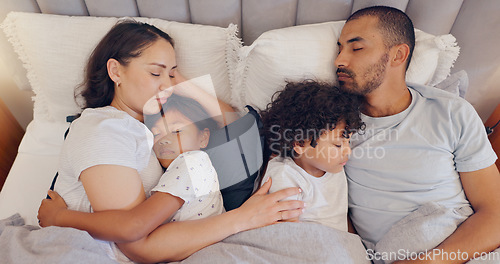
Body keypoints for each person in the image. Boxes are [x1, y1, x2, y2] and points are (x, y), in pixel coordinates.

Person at [36, 20, 304, 264]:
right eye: (155, 73)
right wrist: (244, 218)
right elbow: (137, 246)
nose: (167, 85)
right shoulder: (106, 129)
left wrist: (171, 78)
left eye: (172, 74)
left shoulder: (153, 127)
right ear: (115, 71)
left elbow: (231, 124)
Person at [336, 5, 500, 263]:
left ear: (398, 55)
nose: (339, 61)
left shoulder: (451, 112)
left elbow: (495, 214)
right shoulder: (332, 125)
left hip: (461, 248)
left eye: (356, 48)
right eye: (339, 48)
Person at [259, 80, 364, 231]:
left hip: (340, 243)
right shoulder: (285, 175)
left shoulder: (334, 168)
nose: (348, 151)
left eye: (348, 142)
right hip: (304, 243)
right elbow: (287, 232)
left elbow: (340, 217)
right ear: (301, 144)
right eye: (338, 145)